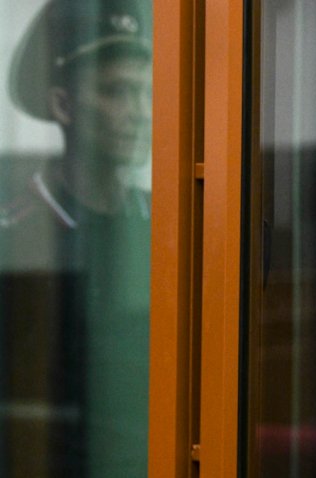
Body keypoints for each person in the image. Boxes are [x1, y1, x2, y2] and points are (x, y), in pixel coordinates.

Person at [0, 0, 152, 476]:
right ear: (63, 104)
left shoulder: (166, 223)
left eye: (148, 93)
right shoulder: (20, 236)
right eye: (119, 92)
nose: (141, 113)